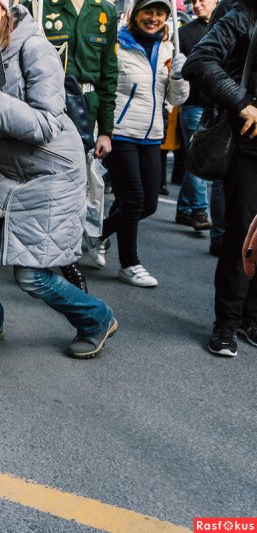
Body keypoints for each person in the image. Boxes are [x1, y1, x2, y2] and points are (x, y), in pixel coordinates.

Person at [0, 0, 117, 359]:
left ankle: (98, 318)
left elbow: (48, 124)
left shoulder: (34, 46)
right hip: (6, 166)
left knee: (31, 276)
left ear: (4, 6)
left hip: (52, 169)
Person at [85, 0, 189, 288]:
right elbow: (105, 87)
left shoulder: (168, 49)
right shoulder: (118, 44)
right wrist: (102, 131)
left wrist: (180, 77)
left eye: (160, 13)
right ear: (135, 14)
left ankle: (97, 232)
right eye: (148, 12)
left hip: (152, 134)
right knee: (133, 202)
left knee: (148, 204)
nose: (154, 18)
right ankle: (129, 263)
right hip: (120, 133)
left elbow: (176, 98)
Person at [24, 0, 118, 289]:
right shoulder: (39, 6)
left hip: (86, 110)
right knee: (44, 182)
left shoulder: (104, 11)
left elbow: (109, 73)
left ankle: (68, 253)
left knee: (77, 188)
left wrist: (106, 131)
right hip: (47, 104)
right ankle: (40, 255)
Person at [183, 0, 257, 357]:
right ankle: (226, 323)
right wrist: (241, 102)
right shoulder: (243, 13)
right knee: (242, 234)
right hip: (248, 143)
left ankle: (251, 317)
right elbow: (198, 62)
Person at [173, 0, 218, 233]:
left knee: (196, 157)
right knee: (198, 156)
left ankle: (184, 207)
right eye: (193, 1)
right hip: (193, 105)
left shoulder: (224, 27)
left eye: (202, 0)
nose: (197, 4)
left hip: (216, 105)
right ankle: (199, 210)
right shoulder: (184, 33)